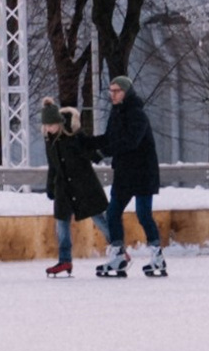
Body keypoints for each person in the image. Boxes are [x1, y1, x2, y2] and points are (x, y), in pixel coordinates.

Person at [93, 67, 167, 278]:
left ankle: (157, 255)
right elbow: (109, 138)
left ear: (126, 92)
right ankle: (118, 255)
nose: (112, 94)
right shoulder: (115, 114)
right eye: (111, 91)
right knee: (113, 213)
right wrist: (86, 145)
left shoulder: (137, 114)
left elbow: (130, 142)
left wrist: (103, 151)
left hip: (142, 172)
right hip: (124, 173)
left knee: (144, 214)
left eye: (117, 91)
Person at [40, 104, 105, 278]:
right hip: (63, 187)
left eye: (51, 125)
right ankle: (65, 260)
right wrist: (51, 186)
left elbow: (89, 149)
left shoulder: (74, 135)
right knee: (61, 221)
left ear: (59, 123)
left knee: (98, 216)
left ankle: (118, 247)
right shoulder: (49, 140)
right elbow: (53, 166)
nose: (49, 129)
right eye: (46, 126)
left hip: (83, 183)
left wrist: (99, 155)